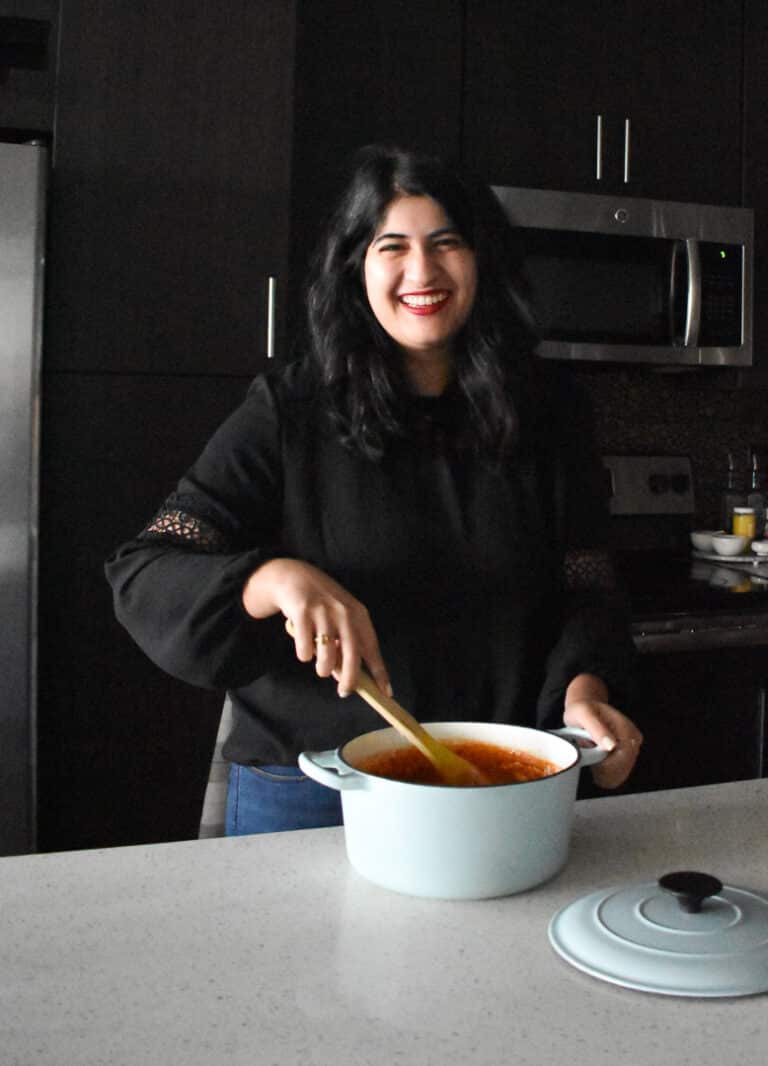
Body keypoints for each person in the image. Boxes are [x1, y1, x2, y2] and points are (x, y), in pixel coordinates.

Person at [105, 145, 642, 835]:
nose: (422, 271)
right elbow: (145, 571)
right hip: (313, 790)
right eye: (393, 246)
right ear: (356, 266)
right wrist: (274, 579)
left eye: (446, 243)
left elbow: (588, 589)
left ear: (482, 259)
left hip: (495, 780)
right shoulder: (288, 410)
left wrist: (585, 692)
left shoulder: (550, 410)